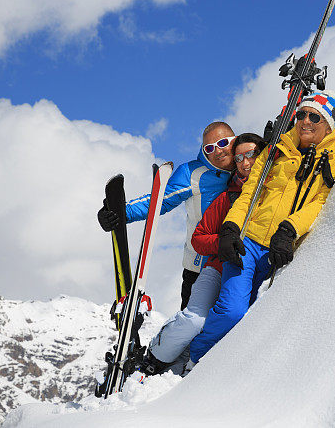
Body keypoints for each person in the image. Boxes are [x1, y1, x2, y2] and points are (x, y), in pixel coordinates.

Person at [188, 91, 335, 365]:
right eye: (301, 114)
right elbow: (249, 193)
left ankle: (220, 368)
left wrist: (289, 229)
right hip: (247, 242)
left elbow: (321, 201)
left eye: (314, 116)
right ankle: (197, 358)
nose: (305, 121)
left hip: (279, 250)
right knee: (232, 311)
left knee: (251, 318)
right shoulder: (276, 150)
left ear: (329, 123)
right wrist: (230, 229)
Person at [139, 133, 267, 375]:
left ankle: (198, 366)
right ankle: (155, 356)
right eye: (239, 157)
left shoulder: (276, 192)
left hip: (252, 270)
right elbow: (199, 238)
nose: (245, 162)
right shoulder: (226, 198)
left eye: (251, 155)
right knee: (195, 319)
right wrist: (222, 244)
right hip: (217, 269)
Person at [98, 121, 236, 309]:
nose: (218, 151)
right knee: (193, 327)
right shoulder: (192, 173)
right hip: (199, 267)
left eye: (222, 143)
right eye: (209, 148)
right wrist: (119, 212)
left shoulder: (248, 163)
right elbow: (159, 201)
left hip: (237, 260)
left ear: (234, 141)